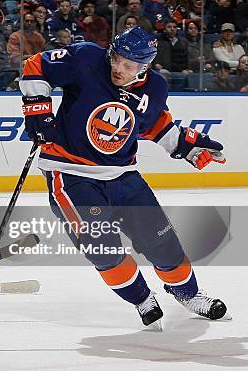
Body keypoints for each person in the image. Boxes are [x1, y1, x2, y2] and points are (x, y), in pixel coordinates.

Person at [18, 26, 228, 328]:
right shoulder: (87, 59)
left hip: (124, 177)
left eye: (128, 65)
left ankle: (188, 294)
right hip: (71, 176)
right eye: (116, 59)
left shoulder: (155, 87)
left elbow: (155, 125)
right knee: (103, 247)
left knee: (163, 243)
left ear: (145, 66)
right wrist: (38, 110)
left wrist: (188, 146)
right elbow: (35, 65)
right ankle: (142, 299)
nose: (118, 68)